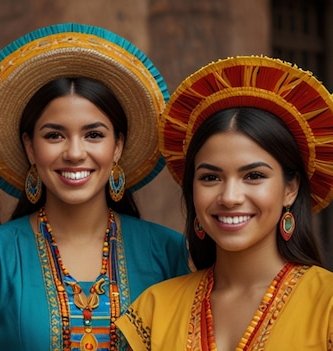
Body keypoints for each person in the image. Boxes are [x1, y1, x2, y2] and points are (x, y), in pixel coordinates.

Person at [0, 23, 191, 351]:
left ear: (117, 146)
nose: (75, 153)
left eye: (94, 135)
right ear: (30, 147)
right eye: (54, 135)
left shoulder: (167, 253)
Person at [116, 56, 333, 350]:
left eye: (254, 175)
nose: (230, 197)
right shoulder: (154, 310)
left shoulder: (327, 306)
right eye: (210, 178)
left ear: (290, 188)